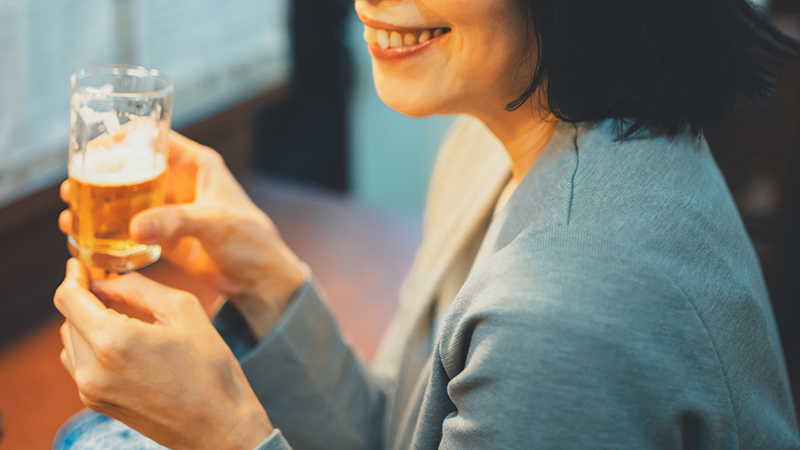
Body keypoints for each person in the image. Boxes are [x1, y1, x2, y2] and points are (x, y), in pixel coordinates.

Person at [54, 0, 800, 449]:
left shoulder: (567, 312)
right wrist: (268, 281)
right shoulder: (498, 140)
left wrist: (220, 433)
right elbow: (407, 432)